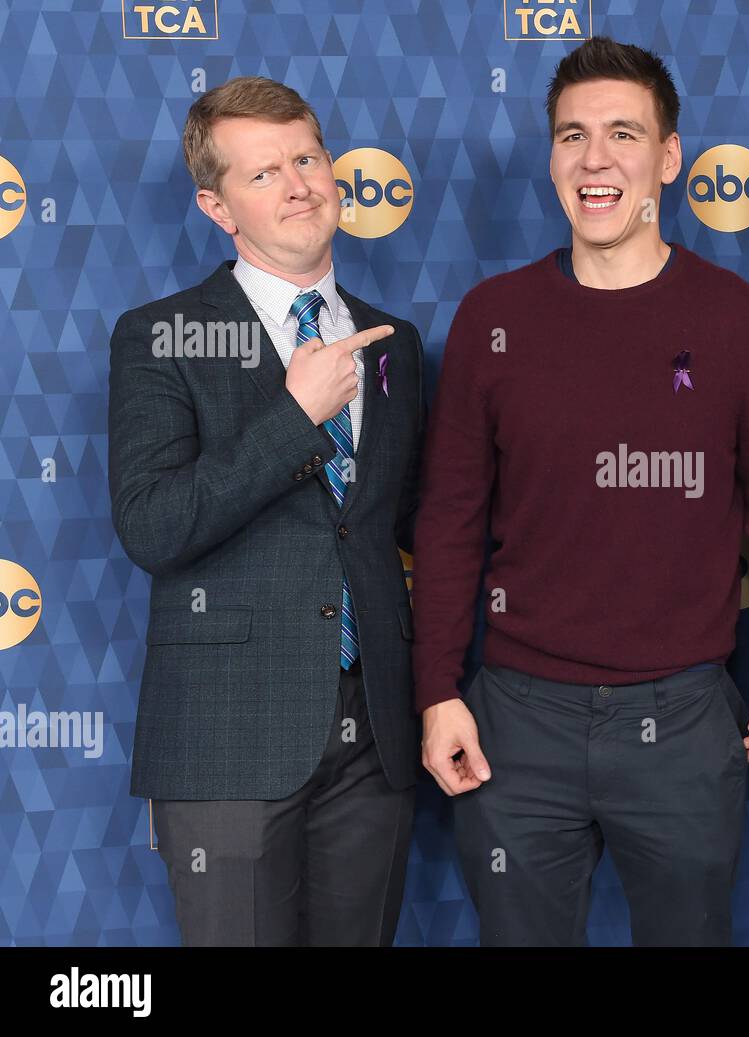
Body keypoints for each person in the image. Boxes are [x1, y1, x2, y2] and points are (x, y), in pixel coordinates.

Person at [412, 36, 749, 946]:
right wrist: (436, 692)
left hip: (684, 721)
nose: (595, 159)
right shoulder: (493, 322)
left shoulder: (738, 320)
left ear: (670, 157)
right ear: (553, 157)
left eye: (621, 133)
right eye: (572, 136)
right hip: (516, 723)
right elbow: (450, 522)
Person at [108, 76, 425, 946]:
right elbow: (154, 525)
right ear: (217, 207)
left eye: (308, 158)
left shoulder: (395, 341)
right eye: (263, 174)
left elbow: (414, 526)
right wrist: (294, 416)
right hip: (226, 740)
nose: (298, 184)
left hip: (376, 740)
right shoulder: (161, 334)